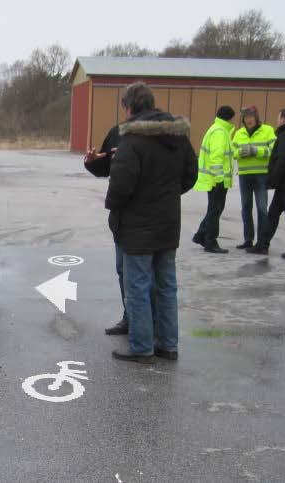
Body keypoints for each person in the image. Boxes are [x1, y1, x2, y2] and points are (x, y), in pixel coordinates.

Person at [106, 82, 198, 364]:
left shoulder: (132, 140)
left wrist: (114, 206)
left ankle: (143, 347)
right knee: (166, 286)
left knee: (138, 287)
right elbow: (191, 175)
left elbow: (121, 186)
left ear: (130, 107)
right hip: (168, 224)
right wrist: (166, 195)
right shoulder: (179, 137)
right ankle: (168, 345)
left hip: (137, 229)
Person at [85, 124, 131, 335]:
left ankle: (146, 329)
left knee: (144, 275)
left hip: (138, 215)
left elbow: (187, 172)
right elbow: (104, 165)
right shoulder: (118, 132)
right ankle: (131, 318)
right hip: (123, 216)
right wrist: (92, 161)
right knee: (124, 270)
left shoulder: (162, 133)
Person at [247, 108, 285, 259]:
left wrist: (273, 179)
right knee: (273, 214)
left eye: (278, 118)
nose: (277, 121)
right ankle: (263, 244)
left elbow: (282, 160)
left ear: (284, 119)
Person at [191, 106, 235, 254]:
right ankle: (210, 241)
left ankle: (201, 235)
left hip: (215, 179)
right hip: (217, 180)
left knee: (214, 209)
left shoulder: (216, 129)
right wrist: (219, 178)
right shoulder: (220, 132)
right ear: (229, 118)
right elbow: (216, 158)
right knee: (215, 211)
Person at [232, 106, 275, 249]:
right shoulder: (239, 133)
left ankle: (262, 241)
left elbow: (274, 150)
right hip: (244, 175)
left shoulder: (267, 131)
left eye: (251, 117)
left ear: (256, 118)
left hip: (261, 175)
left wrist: (257, 151)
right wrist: (240, 152)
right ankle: (248, 240)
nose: (249, 120)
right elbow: (233, 152)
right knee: (246, 208)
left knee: (262, 208)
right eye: (246, 117)